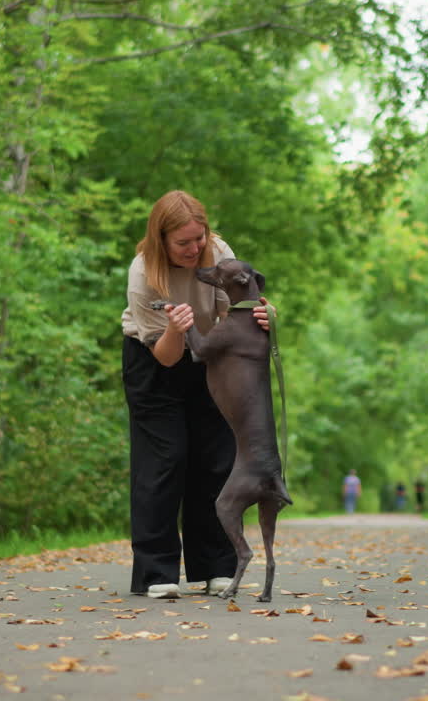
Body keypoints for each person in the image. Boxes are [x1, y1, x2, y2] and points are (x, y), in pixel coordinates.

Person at [120, 190, 272, 600]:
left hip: (211, 356)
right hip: (156, 360)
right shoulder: (143, 273)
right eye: (183, 243)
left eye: (199, 238)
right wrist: (175, 329)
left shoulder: (218, 250)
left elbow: (235, 312)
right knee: (164, 460)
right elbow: (166, 358)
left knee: (217, 457)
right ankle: (156, 572)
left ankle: (218, 566)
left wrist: (261, 315)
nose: (195, 248)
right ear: (161, 240)